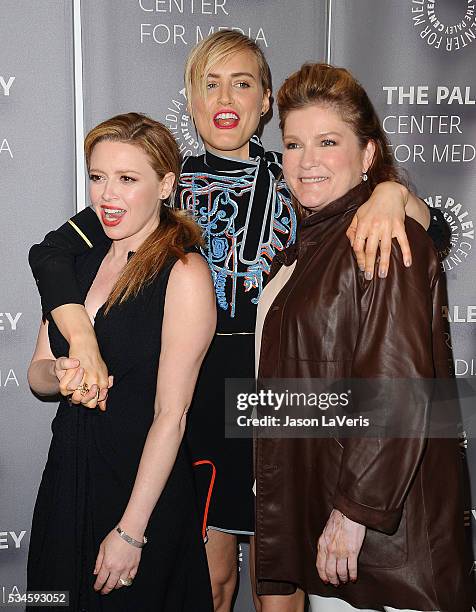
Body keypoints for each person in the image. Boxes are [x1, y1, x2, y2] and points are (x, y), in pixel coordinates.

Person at [28, 32, 443, 612]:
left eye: (242, 83)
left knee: (284, 581)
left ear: (266, 101)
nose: (225, 97)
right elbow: (49, 255)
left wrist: (391, 194)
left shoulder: (299, 173)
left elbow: (433, 231)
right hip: (194, 398)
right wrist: (81, 340)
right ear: (192, 100)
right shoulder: (161, 187)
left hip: (285, 392)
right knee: (210, 579)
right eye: (209, 83)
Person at [254, 63, 472, 612]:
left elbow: (395, 385)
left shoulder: (380, 235)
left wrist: (354, 513)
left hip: (379, 549)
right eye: (294, 144)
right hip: (335, 532)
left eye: (328, 142)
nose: (306, 161)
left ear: (368, 155)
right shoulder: (310, 245)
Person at [26, 113, 216, 611]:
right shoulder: (77, 262)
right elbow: (38, 374)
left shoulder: (185, 271)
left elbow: (171, 416)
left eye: (127, 180)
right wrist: (62, 376)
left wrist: (131, 531)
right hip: (68, 474)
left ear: (165, 184)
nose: (107, 196)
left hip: (139, 489)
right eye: (97, 177)